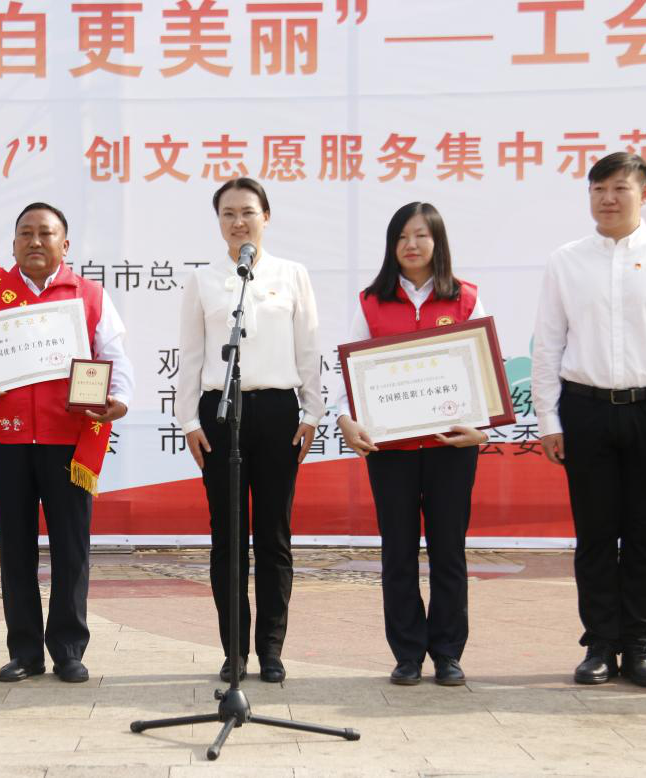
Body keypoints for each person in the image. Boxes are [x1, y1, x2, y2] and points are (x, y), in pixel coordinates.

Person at [0, 202, 133, 684]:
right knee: (15, 545)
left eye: (46, 233)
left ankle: (68, 649)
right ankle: (24, 651)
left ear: (65, 244)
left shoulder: (88, 296)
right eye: (26, 233)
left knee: (72, 546)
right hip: (8, 440)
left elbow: (114, 356)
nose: (36, 241)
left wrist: (120, 399)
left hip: (69, 440)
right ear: (13, 244)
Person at [532, 152, 646, 689]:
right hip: (585, 409)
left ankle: (642, 645)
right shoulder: (566, 260)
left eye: (620, 188)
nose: (608, 198)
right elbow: (548, 344)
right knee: (596, 535)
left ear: (645, 194)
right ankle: (601, 645)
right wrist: (548, 419)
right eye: (598, 188)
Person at [335, 202, 489, 687]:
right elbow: (348, 374)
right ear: (391, 245)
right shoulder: (370, 302)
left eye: (421, 235)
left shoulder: (466, 298)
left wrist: (482, 428)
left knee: (449, 552)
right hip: (391, 452)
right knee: (397, 552)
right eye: (402, 236)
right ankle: (406, 654)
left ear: (437, 242)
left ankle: (447, 653)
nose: (412, 245)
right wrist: (346, 419)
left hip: (451, 447)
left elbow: (485, 370)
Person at [176, 177, 321, 684]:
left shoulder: (292, 274)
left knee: (275, 536)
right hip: (221, 413)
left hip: (278, 411)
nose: (239, 222)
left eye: (248, 212)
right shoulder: (204, 280)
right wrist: (189, 421)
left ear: (266, 216)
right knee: (228, 538)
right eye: (228, 213)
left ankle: (272, 650)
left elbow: (308, 349)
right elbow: (191, 356)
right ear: (218, 221)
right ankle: (234, 650)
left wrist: (311, 413)